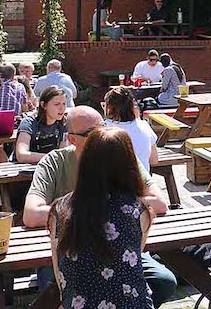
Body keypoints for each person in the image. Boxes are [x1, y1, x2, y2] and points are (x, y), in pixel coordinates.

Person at [25, 107, 176, 305]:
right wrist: (96, 210)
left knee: (164, 281)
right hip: (73, 243)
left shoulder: (115, 155)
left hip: (107, 252)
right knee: (50, 290)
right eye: (92, 132)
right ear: (72, 139)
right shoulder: (55, 163)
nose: (101, 134)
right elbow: (31, 214)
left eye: (103, 126)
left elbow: (160, 203)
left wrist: (91, 208)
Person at [48, 126, 153, 309]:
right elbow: (134, 258)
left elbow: (60, 274)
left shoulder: (60, 209)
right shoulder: (138, 210)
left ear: (85, 161)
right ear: (130, 164)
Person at [104, 87, 159, 171]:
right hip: (142, 181)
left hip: (113, 182)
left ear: (109, 108)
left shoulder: (102, 129)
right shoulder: (144, 126)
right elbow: (154, 160)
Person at [14, 86, 69, 164]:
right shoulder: (29, 122)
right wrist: (52, 158)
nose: (62, 108)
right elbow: (21, 155)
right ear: (43, 105)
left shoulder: (63, 123)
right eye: (57, 104)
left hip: (50, 167)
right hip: (24, 168)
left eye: (64, 104)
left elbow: (63, 152)